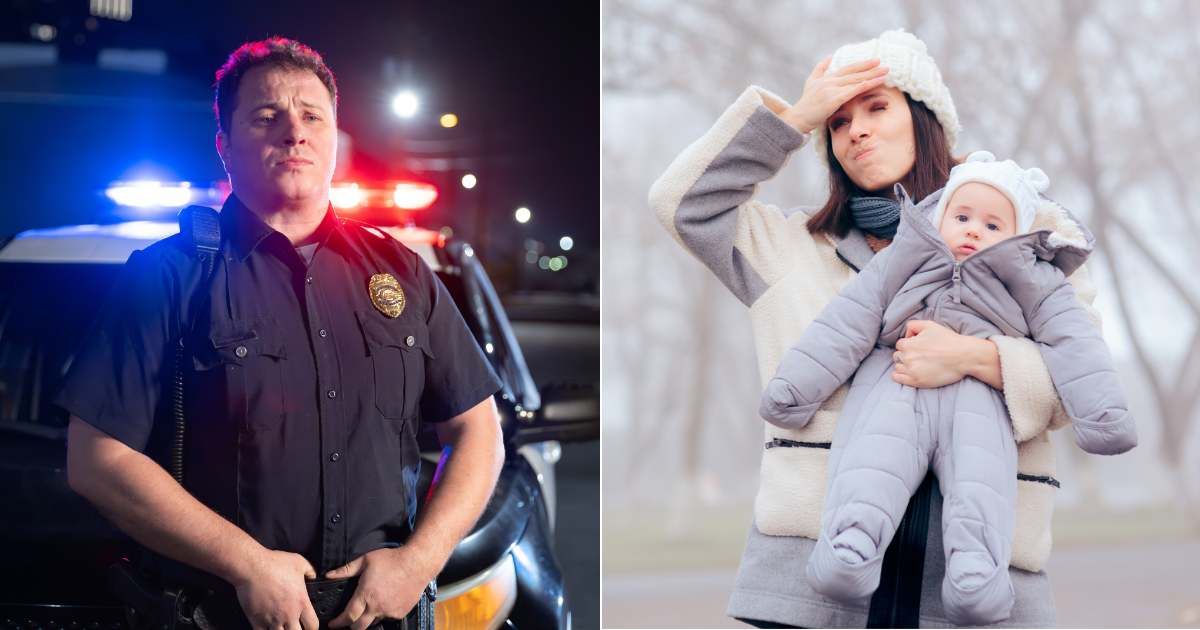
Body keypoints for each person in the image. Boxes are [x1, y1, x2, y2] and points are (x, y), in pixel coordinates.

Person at [649, 29, 1099, 627]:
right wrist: (796, 116)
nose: (855, 130)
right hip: (812, 587)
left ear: (925, 119)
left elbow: (1084, 380)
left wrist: (974, 359)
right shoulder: (790, 251)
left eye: (877, 107)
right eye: (837, 123)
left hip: (975, 590)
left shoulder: (1028, 237)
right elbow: (681, 202)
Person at [56, 37, 504, 630]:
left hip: (383, 616)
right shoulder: (169, 276)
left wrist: (418, 562)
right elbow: (96, 457)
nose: (294, 132)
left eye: (311, 116)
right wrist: (246, 565)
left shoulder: (402, 272)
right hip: (219, 613)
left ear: (333, 139)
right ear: (224, 146)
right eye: (266, 117)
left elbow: (478, 432)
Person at [759, 151, 1137, 625]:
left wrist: (1103, 415)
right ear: (940, 217)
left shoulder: (1035, 279)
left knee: (981, 484)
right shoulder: (905, 257)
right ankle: (849, 550)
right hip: (897, 381)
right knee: (872, 463)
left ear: (1018, 235)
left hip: (979, 402)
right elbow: (848, 319)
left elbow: (1074, 343)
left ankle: (976, 579)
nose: (974, 230)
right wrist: (795, 388)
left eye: (993, 225)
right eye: (962, 217)